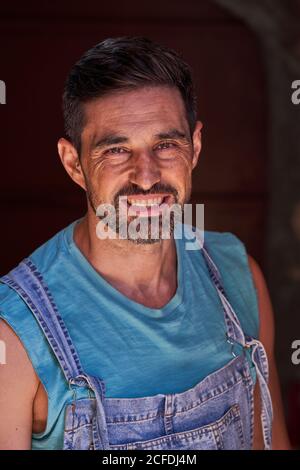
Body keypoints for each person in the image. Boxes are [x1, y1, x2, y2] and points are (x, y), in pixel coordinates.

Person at [0, 37, 291, 450]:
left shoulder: (237, 276)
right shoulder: (14, 332)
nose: (148, 175)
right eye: (117, 150)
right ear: (73, 163)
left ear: (196, 147)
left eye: (166, 144)